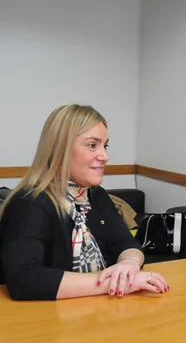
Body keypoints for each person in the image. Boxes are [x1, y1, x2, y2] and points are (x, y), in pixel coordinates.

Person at [0, 104, 169, 300]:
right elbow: (24, 279)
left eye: (105, 146)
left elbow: (126, 242)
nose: (105, 156)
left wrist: (128, 265)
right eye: (92, 145)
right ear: (60, 149)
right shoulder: (29, 202)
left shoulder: (96, 195)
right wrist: (109, 283)